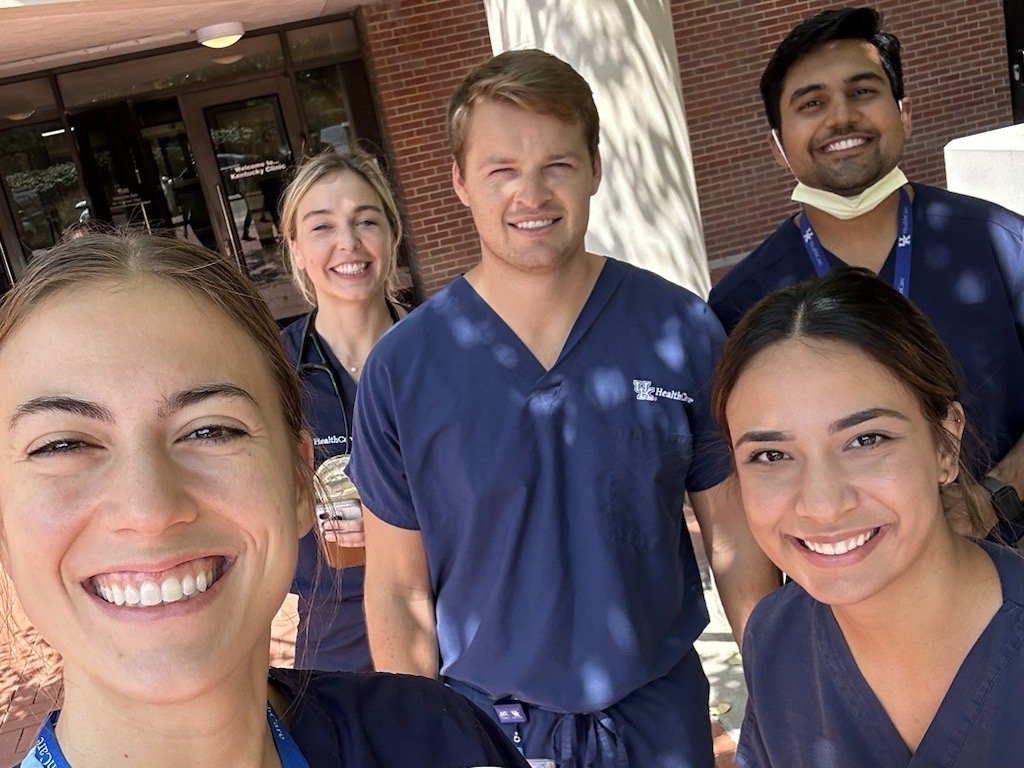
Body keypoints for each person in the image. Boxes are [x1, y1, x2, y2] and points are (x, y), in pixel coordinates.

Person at [347, 49, 778, 767]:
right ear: (459, 181)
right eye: (501, 171)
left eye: (558, 165)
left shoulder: (678, 331)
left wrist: (776, 686)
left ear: (595, 171)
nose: (532, 195)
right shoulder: (405, 367)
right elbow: (396, 587)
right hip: (488, 726)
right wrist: (416, 738)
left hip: (656, 717)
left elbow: (735, 540)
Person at [0, 231, 531, 768]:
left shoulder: (436, 740)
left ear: (300, 480)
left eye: (210, 431)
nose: (149, 510)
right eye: (62, 444)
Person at [707, 7, 1024, 544]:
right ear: (777, 144)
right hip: (848, 578)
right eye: (811, 104)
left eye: (863, 92)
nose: (840, 118)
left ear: (904, 114)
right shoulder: (741, 302)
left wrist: (996, 493)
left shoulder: (1002, 245)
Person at [712, 268, 1024, 767]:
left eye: (866, 440)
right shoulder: (776, 636)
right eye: (771, 455)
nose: (822, 504)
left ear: (946, 443)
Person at [278, 150, 406, 672]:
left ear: (392, 234)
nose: (348, 243)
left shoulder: (444, 353)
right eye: (322, 226)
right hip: (334, 630)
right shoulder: (272, 371)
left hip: (455, 612)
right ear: (296, 249)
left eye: (365, 221)